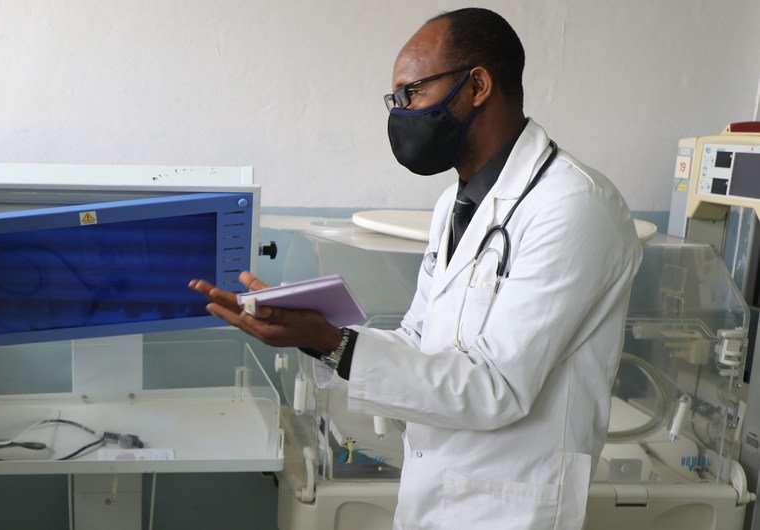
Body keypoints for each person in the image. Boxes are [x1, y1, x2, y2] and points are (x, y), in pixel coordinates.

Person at [191, 8, 641, 530]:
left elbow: (498, 388)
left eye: (413, 93)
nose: (401, 112)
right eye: (396, 99)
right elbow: (420, 340)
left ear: (476, 86)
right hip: (434, 498)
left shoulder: (574, 206)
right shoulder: (455, 202)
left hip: (511, 509)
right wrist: (317, 335)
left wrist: (336, 343)